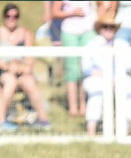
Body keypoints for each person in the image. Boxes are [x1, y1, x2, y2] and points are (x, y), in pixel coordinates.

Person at [82, 15, 131, 136]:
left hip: (119, 76)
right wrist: (105, 76)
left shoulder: (122, 44)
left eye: (111, 27)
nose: (108, 29)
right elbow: (86, 67)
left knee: (130, 89)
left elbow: (128, 65)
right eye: (105, 27)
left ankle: (126, 129)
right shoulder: (92, 44)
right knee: (96, 93)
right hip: (97, 77)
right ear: (100, 29)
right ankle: (91, 130)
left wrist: (114, 77)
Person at [0, 3, 51, 131]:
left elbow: (29, 60)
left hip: (22, 71)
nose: (12, 19)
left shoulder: (25, 34)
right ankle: (2, 121)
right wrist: (7, 67)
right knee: (10, 82)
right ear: (4, 17)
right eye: (8, 16)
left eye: (15, 16)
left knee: (29, 82)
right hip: (4, 72)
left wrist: (20, 68)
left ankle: (44, 120)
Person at [52, 0, 98, 116]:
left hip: (88, 31)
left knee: (85, 69)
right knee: (72, 70)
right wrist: (72, 13)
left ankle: (84, 105)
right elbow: (55, 12)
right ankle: (73, 107)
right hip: (70, 31)